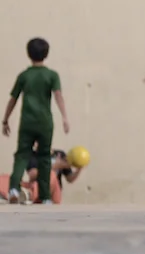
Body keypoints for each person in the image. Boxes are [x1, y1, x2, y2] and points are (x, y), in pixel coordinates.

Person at [4, 38, 71, 206]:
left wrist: (5, 119)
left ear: (28, 54)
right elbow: (58, 96)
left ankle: (13, 189)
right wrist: (64, 117)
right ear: (46, 54)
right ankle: (46, 196)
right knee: (44, 158)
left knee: (22, 155)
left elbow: (13, 98)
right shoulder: (52, 75)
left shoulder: (24, 76)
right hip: (45, 122)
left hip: (27, 122)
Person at [18, 148, 85, 205]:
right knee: (51, 174)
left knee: (52, 175)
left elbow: (70, 179)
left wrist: (79, 169)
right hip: (38, 188)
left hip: (55, 191)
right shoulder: (32, 155)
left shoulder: (60, 154)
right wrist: (55, 166)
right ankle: (29, 195)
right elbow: (32, 175)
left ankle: (30, 195)